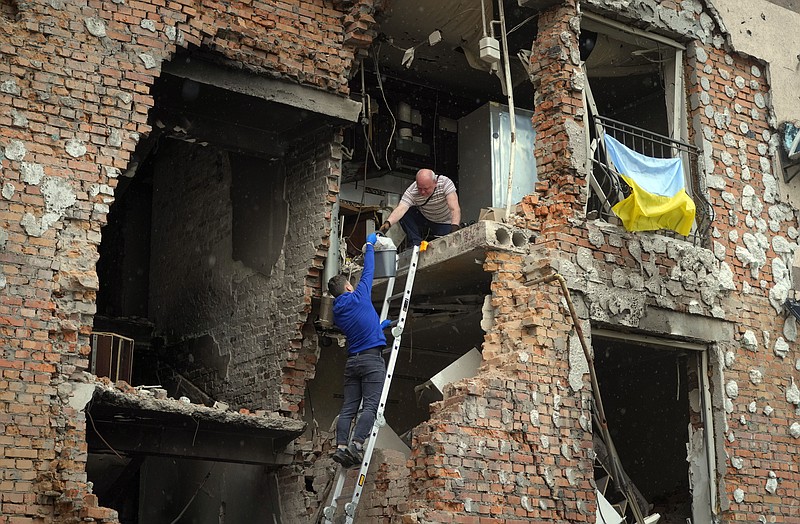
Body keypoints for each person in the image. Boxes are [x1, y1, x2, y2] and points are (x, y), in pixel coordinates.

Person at [327, 232, 390, 468]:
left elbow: (358, 326)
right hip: (371, 361)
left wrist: (378, 327)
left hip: (352, 362)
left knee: (349, 407)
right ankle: (357, 445)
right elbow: (369, 272)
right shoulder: (359, 295)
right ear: (348, 286)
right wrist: (370, 246)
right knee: (370, 406)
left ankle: (341, 447)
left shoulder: (338, 312)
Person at [378, 168, 461, 246]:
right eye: (419, 188)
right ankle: (416, 243)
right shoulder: (412, 191)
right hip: (425, 219)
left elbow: (454, 209)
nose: (422, 192)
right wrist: (388, 223)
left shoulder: (445, 183)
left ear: (435, 183)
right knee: (406, 212)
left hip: (444, 222)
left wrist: (454, 228)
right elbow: (401, 209)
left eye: (426, 189)